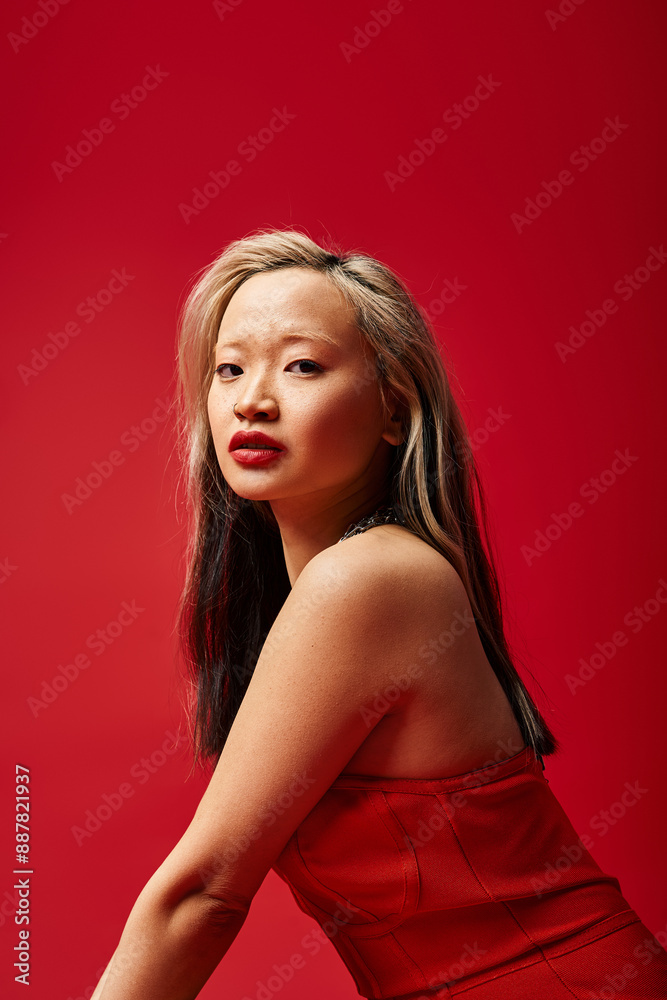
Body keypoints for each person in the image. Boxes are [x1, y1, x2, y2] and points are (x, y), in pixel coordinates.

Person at [91, 228, 667, 999]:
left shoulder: (370, 580)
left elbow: (202, 896)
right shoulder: (344, 583)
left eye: (301, 366)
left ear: (393, 410)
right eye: (228, 368)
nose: (252, 398)